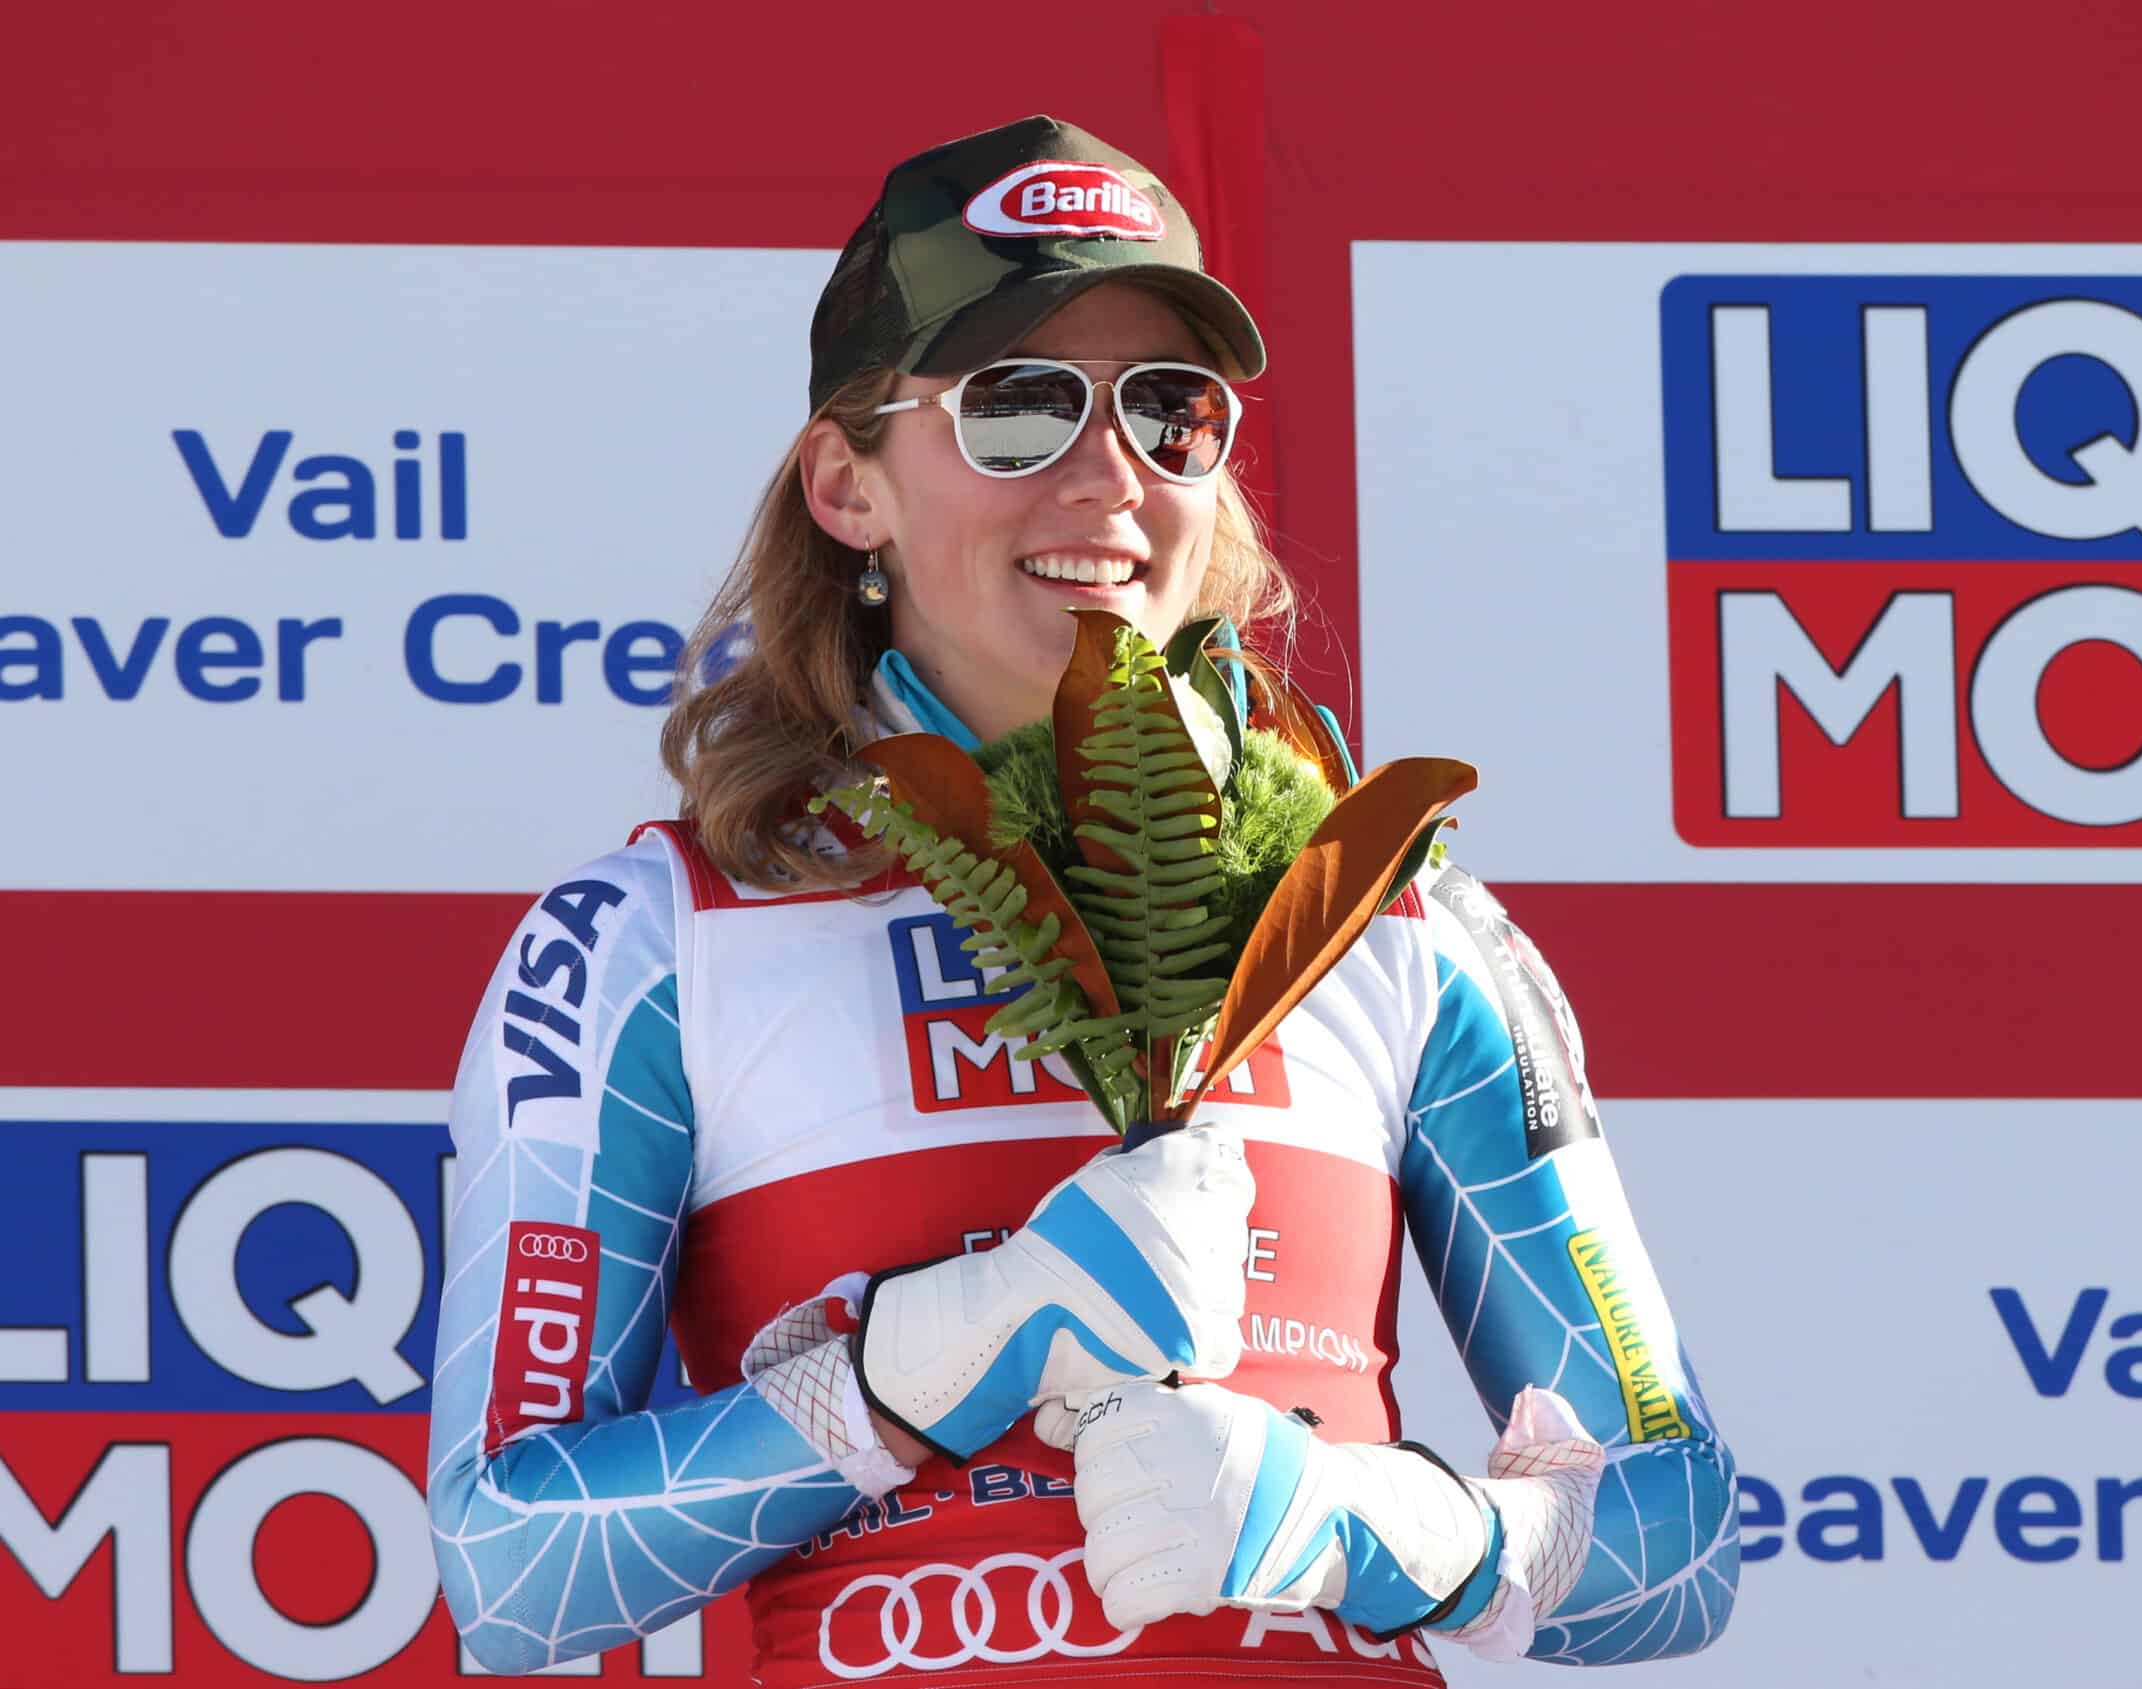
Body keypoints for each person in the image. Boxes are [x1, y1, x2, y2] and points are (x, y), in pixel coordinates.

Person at [426, 115, 1737, 1687]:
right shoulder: (658, 937)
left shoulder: (1394, 919)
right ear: (847, 483)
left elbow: (1678, 1540)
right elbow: (508, 1569)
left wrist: (1360, 1522)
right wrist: (931, 1358)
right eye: (1019, 405)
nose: (1110, 474)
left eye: (1171, 411)